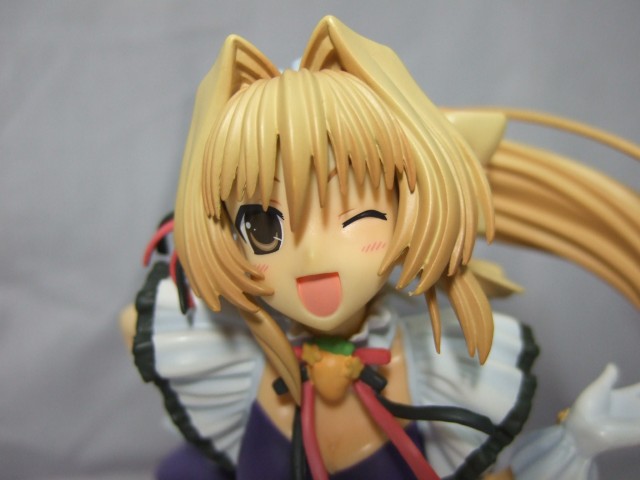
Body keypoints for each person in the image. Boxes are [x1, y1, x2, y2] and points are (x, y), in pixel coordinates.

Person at [123, 16, 640, 480]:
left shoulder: (439, 376)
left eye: (357, 217)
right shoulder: (230, 368)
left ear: (411, 208)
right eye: (264, 227)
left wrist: (573, 445)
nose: (311, 257)